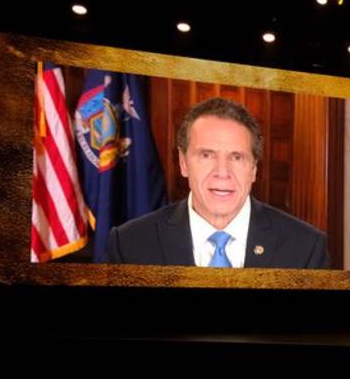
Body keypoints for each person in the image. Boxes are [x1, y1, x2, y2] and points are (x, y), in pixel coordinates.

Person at [105, 97, 329, 268]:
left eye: (237, 157)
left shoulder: (306, 248)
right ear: (183, 163)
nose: (222, 173)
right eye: (206, 155)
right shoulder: (129, 244)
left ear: (253, 169)